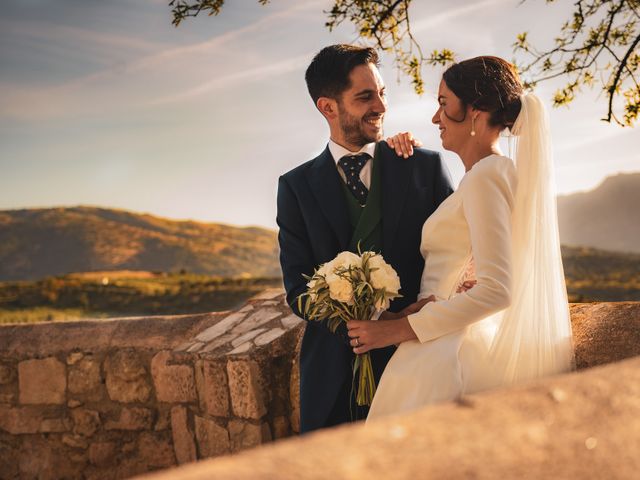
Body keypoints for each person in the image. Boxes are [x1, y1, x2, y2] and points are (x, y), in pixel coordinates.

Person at [345, 56, 575, 419]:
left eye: (443, 104)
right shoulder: (482, 176)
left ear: (475, 112)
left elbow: (497, 290)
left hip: (449, 354)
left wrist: (397, 331)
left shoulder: (488, 176)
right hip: (437, 338)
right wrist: (408, 314)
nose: (435, 118)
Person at [276, 44, 454, 433]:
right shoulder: (295, 187)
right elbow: (298, 288)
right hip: (332, 374)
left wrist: (406, 321)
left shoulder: (423, 167)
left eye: (382, 93)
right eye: (365, 96)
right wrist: (362, 324)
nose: (381, 106)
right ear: (328, 107)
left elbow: (460, 252)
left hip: (418, 359)